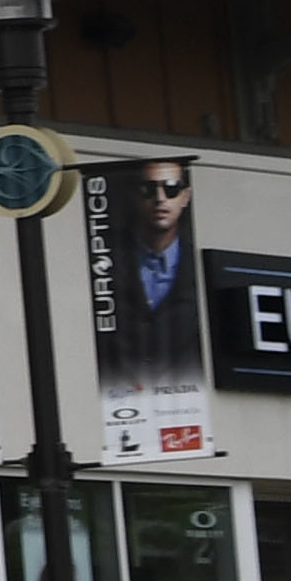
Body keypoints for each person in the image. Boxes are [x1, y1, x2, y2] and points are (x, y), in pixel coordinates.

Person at [92, 158, 197, 400]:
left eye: (171, 188)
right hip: (117, 398)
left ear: (185, 197)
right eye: (148, 189)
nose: (160, 198)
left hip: (182, 402)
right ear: (135, 196)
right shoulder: (105, 258)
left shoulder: (195, 264)